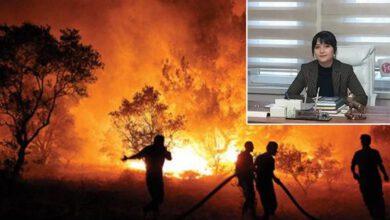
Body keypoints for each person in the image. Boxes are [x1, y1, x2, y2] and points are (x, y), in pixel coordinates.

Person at [286, 30, 368, 106]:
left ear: (334, 50)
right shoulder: (307, 69)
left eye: (327, 46)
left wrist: (342, 101)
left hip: (337, 116)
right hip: (314, 114)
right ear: (314, 51)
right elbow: (289, 95)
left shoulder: (345, 70)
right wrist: (312, 101)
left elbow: (363, 98)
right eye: (317, 47)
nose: (321, 51)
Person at [122, 134, 172, 218]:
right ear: (157, 141)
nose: (161, 143)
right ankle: (148, 210)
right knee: (158, 199)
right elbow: (138, 155)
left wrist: (128, 158)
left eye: (162, 142)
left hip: (156, 176)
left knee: (158, 199)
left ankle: (151, 212)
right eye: (161, 141)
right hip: (153, 177)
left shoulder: (153, 149)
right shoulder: (151, 149)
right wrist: (128, 158)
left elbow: (169, 158)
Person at [351, 134, 389, 219]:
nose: (362, 142)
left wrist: (385, 174)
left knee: (373, 198)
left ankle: (378, 215)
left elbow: (380, 165)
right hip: (369, 180)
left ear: (365, 142)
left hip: (369, 181)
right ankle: (377, 215)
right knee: (373, 198)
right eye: (362, 140)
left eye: (363, 140)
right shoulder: (364, 153)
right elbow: (353, 166)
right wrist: (385, 175)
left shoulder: (364, 153)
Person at [255, 141, 281, 220]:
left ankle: (267, 215)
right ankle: (267, 216)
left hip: (260, 182)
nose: (276, 151)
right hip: (266, 183)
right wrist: (275, 179)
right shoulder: (270, 159)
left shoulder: (259, 157)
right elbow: (270, 172)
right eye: (275, 149)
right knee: (272, 202)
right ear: (270, 149)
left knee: (265, 200)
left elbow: (254, 167)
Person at [235, 141, 256, 219]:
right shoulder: (243, 156)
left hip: (248, 180)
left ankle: (251, 215)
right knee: (249, 197)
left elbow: (250, 168)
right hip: (245, 180)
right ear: (248, 147)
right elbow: (238, 169)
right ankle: (244, 215)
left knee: (251, 197)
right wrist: (241, 180)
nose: (253, 148)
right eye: (252, 146)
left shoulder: (248, 156)